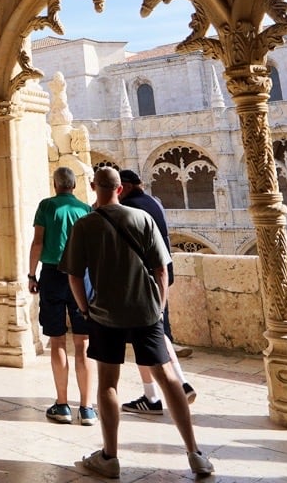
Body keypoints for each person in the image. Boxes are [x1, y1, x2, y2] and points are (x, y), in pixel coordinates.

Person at [61, 166, 213, 479]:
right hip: (145, 311)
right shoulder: (142, 219)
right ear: (120, 189)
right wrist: (159, 307)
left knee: (108, 383)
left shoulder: (86, 224)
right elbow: (161, 269)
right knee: (168, 378)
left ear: (94, 187)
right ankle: (195, 454)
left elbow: (74, 275)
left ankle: (109, 456)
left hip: (105, 312)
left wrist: (85, 309)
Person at [114, 168, 197, 414]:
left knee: (141, 339)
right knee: (157, 332)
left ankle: (152, 397)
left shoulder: (130, 207)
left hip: (141, 280)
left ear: (127, 186)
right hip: (160, 275)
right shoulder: (153, 202)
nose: (117, 192)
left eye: (119, 188)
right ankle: (181, 382)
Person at [27, 165, 94, 425]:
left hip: (53, 275)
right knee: (83, 342)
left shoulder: (46, 206)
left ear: (55, 185)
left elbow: (38, 242)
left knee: (57, 341)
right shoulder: (85, 210)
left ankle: (62, 404)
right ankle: (86, 408)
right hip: (80, 275)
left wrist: (31, 274)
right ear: (74, 185)